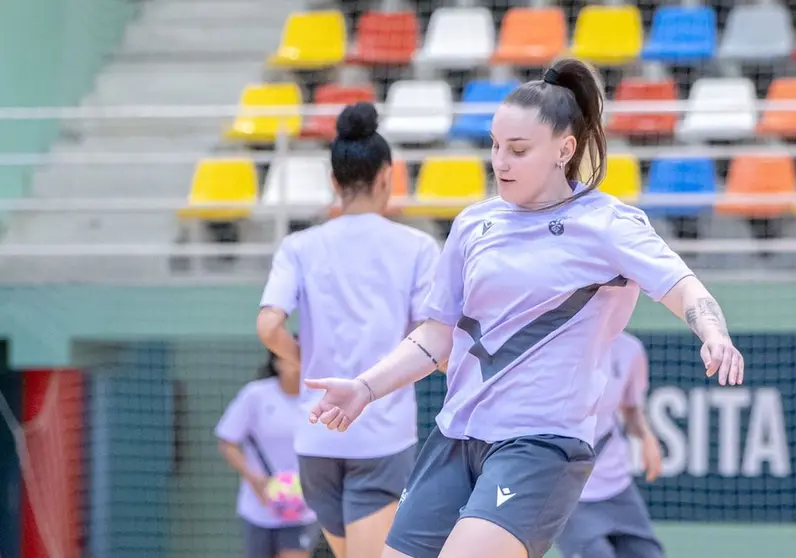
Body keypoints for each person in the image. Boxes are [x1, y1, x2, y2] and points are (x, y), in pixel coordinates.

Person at [301, 57, 745, 558]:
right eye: (494, 146)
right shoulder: (473, 225)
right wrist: (365, 387)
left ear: (564, 149)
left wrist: (714, 333)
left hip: (540, 445)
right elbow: (436, 336)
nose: (500, 162)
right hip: (455, 437)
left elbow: (684, 287)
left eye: (517, 150)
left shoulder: (607, 224)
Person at [256, 102, 442, 558]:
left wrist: (299, 358)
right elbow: (429, 337)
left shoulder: (299, 245)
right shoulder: (416, 246)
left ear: (334, 183)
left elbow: (268, 324)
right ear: (387, 176)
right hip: (379, 434)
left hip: (316, 438)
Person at [556, 332, 665, 558]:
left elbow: (631, 408)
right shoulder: (558, 344)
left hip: (616, 485)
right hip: (566, 489)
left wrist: (646, 437)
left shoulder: (630, 349)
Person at [216, 347, 322, 558]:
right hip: (259, 506)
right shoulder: (256, 395)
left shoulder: (318, 398)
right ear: (277, 363)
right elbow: (227, 442)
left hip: (303, 507)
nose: (297, 363)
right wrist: (255, 479)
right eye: (291, 357)